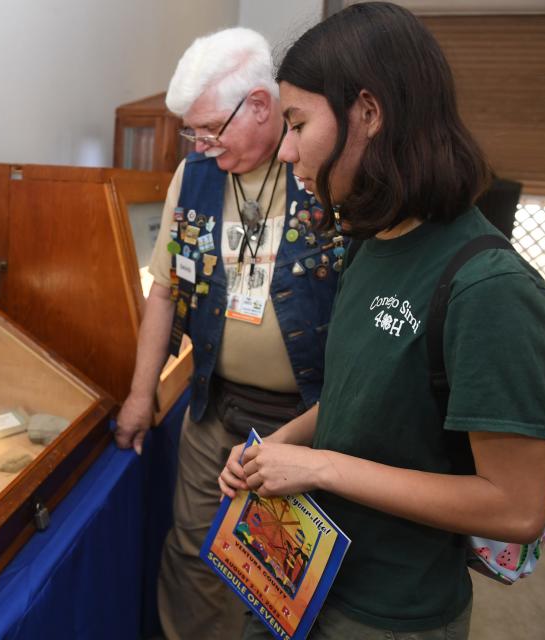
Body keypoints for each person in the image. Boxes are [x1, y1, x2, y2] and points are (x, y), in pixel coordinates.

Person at [219, 3, 545, 639]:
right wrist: (278, 448)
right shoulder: (369, 241)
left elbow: (516, 507)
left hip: (388, 613)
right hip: (305, 577)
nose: (287, 150)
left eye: (297, 123)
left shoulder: (489, 288)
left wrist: (322, 468)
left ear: (368, 114)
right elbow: (361, 397)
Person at [113, 27, 343, 640]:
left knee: (283, 570)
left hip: (308, 417)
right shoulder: (194, 178)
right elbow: (164, 290)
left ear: (262, 106)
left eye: (212, 129)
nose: (204, 144)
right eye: (195, 132)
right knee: (193, 552)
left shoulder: (322, 171)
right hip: (214, 406)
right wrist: (142, 394)